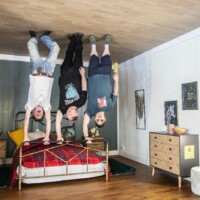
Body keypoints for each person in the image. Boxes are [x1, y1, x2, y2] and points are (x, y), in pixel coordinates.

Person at [23, 31, 60, 145]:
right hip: (49, 71)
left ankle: (34, 37)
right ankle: (44, 37)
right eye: (41, 116)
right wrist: (47, 137)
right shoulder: (46, 106)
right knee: (56, 47)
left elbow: (26, 120)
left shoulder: (30, 105)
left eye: (36, 116)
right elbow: (49, 121)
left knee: (30, 44)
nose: (39, 115)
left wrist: (25, 137)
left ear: (33, 112)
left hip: (37, 69)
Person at [83, 35, 119, 142]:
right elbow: (115, 92)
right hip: (105, 74)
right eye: (101, 120)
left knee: (93, 56)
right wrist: (116, 80)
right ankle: (106, 45)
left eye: (97, 120)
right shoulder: (110, 106)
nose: (99, 118)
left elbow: (85, 124)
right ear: (105, 119)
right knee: (106, 56)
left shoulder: (90, 111)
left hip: (93, 75)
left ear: (94, 118)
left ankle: (93, 45)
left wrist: (87, 138)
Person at [56, 33, 87, 143]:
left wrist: (59, 136)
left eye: (67, 116)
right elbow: (84, 87)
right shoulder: (81, 102)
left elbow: (58, 122)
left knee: (68, 54)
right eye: (71, 115)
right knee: (78, 55)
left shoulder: (63, 107)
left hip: (65, 73)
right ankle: (78, 40)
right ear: (76, 113)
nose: (68, 113)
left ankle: (71, 41)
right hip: (76, 73)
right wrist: (83, 75)